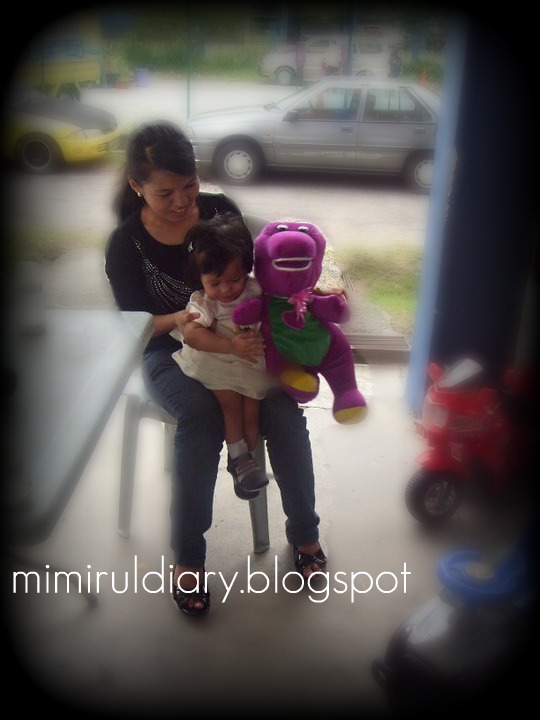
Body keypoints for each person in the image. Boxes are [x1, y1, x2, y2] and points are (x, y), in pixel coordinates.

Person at [104, 120, 327, 618]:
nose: (183, 202)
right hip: (168, 349)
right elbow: (134, 327)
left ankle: (305, 535)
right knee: (201, 416)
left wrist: (299, 306)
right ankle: (189, 558)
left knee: (284, 413)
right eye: (165, 193)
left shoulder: (221, 210)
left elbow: (261, 280)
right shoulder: (126, 244)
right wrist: (184, 320)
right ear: (137, 186)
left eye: (189, 186)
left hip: (243, 343)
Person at [170, 213, 272, 496]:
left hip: (250, 363)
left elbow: (283, 299)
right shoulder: (204, 302)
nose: (226, 289)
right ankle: (239, 457)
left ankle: (244, 463)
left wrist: (316, 293)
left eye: (235, 279)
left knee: (252, 409)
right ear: (200, 277)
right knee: (230, 403)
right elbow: (192, 335)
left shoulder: (255, 289)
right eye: (215, 282)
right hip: (217, 360)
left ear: (246, 269)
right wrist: (230, 346)